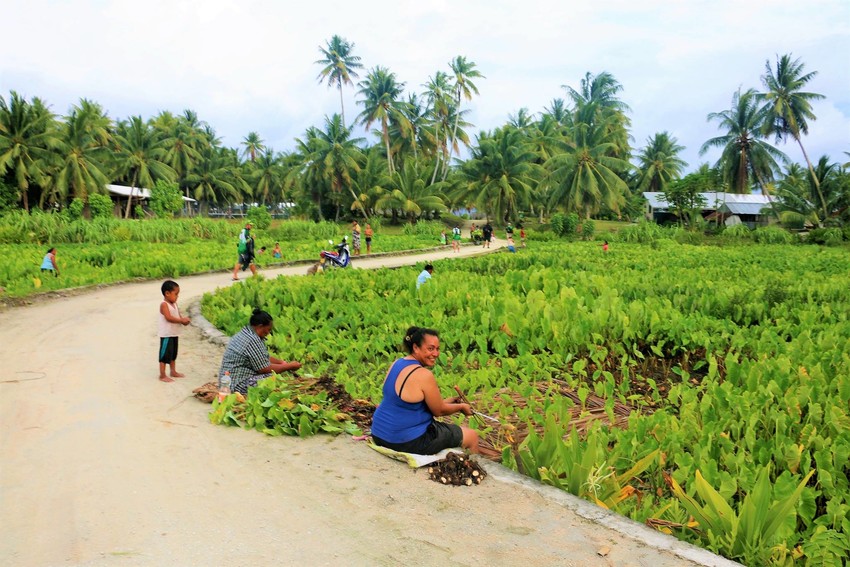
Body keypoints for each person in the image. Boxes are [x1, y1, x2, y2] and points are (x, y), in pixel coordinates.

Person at [370, 327, 479, 454]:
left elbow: (408, 404)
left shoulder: (397, 363)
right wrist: (461, 407)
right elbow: (439, 411)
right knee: (472, 436)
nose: (436, 354)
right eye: (430, 348)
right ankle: (473, 469)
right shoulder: (423, 374)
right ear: (416, 347)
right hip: (405, 441)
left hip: (379, 433)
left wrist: (450, 402)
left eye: (437, 349)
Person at [218, 309, 302, 394]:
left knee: (279, 373)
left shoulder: (246, 333)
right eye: (268, 329)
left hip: (227, 381)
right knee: (274, 378)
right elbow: (264, 369)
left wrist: (281, 362)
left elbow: (262, 357)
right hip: (237, 384)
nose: (268, 333)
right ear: (260, 326)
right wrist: (289, 366)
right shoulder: (252, 340)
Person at [158, 280, 190, 382]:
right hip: (167, 334)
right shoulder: (164, 305)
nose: (177, 296)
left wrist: (183, 321)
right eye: (176, 294)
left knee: (173, 354)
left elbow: (178, 316)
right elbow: (169, 317)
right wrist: (181, 320)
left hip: (174, 333)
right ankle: (162, 375)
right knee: (164, 355)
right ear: (167, 293)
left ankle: (173, 371)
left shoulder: (175, 304)